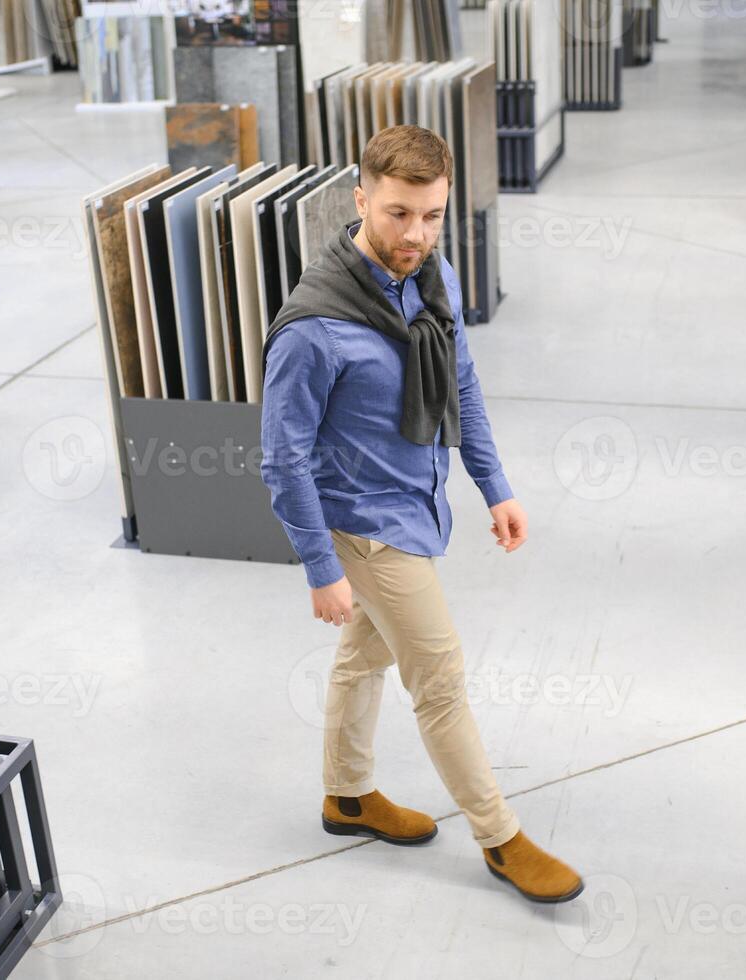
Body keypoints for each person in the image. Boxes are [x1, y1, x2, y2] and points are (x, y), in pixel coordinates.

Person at [258, 124, 582, 904]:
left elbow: (460, 380)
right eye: (399, 213)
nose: (416, 234)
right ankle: (500, 837)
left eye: (432, 215)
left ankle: (347, 795)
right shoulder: (314, 329)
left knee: (363, 659)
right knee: (438, 680)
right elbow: (280, 457)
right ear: (360, 198)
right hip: (365, 528)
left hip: (415, 505)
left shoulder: (430, 278)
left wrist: (493, 484)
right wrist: (321, 566)